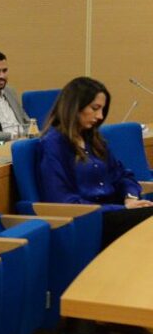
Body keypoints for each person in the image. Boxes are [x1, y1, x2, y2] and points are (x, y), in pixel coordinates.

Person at [39, 76, 153, 248]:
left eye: (102, 110)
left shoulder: (94, 140)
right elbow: (62, 201)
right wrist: (121, 209)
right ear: (75, 106)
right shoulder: (54, 144)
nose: (100, 116)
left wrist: (130, 198)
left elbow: (123, 176)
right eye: (95, 108)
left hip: (116, 212)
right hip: (89, 221)